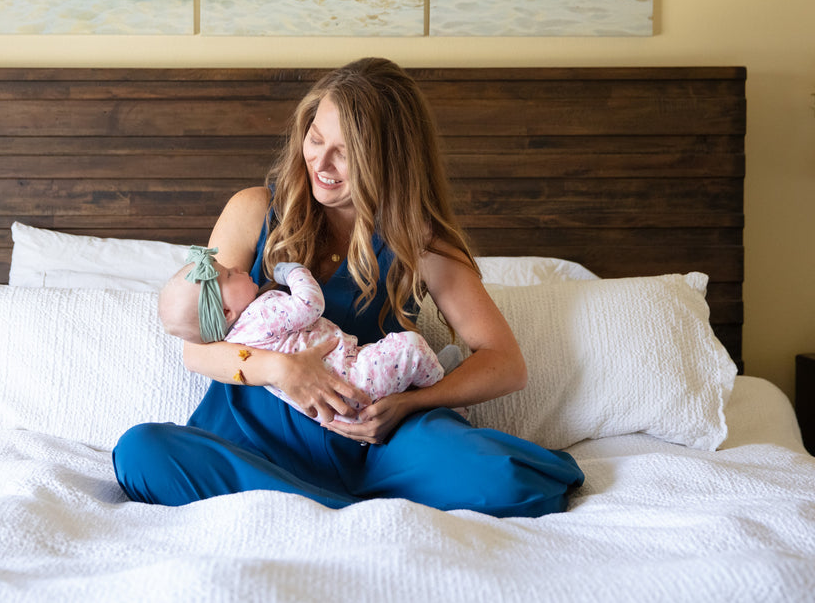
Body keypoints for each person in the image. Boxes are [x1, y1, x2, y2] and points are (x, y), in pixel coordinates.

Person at [113, 57, 584, 515]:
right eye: (315, 139)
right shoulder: (253, 210)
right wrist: (282, 371)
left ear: (390, 162)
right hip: (251, 441)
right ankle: (344, 512)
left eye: (346, 153)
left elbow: (506, 364)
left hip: (371, 442)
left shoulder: (420, 242)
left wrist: (412, 402)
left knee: (508, 480)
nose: (322, 162)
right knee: (141, 453)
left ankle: (297, 508)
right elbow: (196, 349)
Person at [158, 247, 465, 423]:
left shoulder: (235, 341)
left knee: (386, 353)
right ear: (226, 312)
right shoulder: (262, 312)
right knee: (409, 344)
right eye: (228, 275)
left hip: (335, 406)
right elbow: (310, 304)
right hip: (353, 378)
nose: (238, 267)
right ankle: (440, 390)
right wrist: (292, 273)